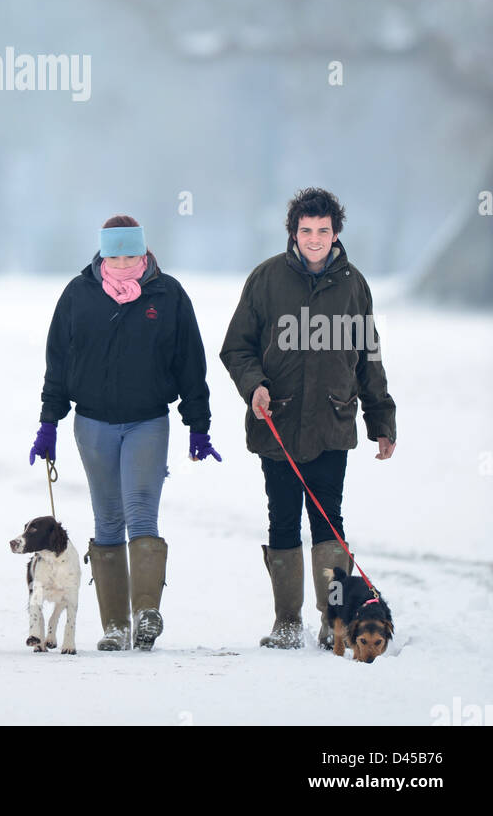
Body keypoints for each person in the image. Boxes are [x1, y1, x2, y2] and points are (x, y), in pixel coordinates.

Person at [31, 214, 220, 651]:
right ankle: (115, 626)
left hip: (148, 421)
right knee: (108, 519)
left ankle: (146, 614)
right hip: (92, 423)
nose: (121, 262)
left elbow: (191, 364)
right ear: (102, 252)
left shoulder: (167, 294)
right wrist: (48, 422)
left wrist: (198, 425)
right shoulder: (79, 294)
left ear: (143, 251)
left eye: (130, 253)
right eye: (114, 253)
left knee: (141, 513)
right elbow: (57, 363)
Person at [219, 188, 397, 649]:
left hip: (331, 425)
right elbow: (236, 347)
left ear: (335, 233)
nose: (314, 239)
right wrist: (254, 383)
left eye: (323, 230)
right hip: (275, 423)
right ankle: (286, 622)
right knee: (281, 521)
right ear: (293, 233)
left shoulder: (353, 284)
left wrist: (381, 418)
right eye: (306, 230)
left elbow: (367, 357)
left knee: (328, 525)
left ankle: (331, 620)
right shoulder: (265, 279)